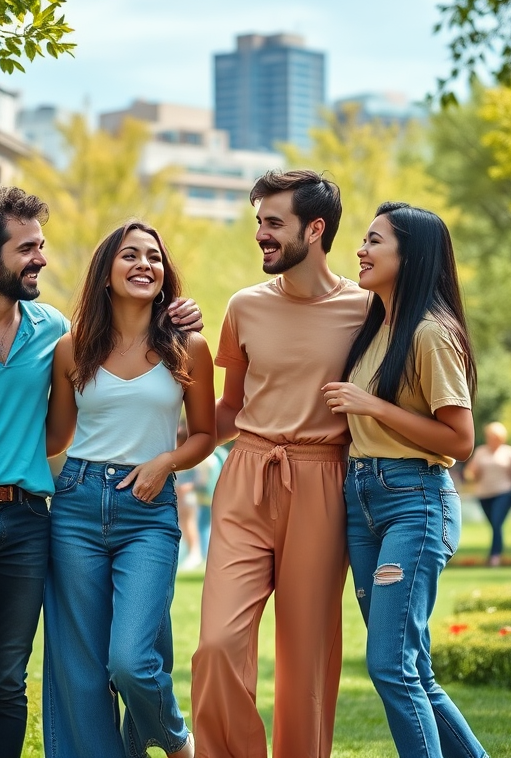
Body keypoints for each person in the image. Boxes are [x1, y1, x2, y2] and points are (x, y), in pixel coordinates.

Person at [0, 186, 201, 758]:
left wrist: (179, 310)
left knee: (7, 680)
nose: (41, 259)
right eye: (27, 248)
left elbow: (68, 417)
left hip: (26, 520)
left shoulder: (51, 330)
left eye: (42, 245)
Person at [191, 169, 369, 758]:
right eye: (259, 223)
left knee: (306, 658)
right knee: (216, 642)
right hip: (246, 474)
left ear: (314, 230)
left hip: (324, 479)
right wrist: (167, 450)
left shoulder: (368, 311)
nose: (261, 236)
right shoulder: (244, 307)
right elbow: (229, 408)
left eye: (274, 224)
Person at [43, 221, 215, 758]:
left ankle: (175, 737)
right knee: (83, 668)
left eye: (154, 258)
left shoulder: (189, 346)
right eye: (130, 255)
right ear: (105, 272)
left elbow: (207, 434)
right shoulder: (72, 348)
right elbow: (56, 437)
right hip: (75, 504)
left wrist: (166, 460)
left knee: (131, 661)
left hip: (148, 510)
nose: (144, 264)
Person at [322, 201, 487, 758]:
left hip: (414, 500)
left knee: (390, 666)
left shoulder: (432, 334)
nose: (361, 250)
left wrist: (373, 406)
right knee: (409, 665)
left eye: (374, 241)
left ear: (409, 255)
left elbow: (459, 441)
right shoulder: (377, 329)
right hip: (363, 499)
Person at [463, 422, 511, 566]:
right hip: (484, 495)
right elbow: (471, 471)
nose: (492, 439)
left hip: (504, 493)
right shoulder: (481, 451)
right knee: (494, 525)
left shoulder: (509, 452)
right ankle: (495, 553)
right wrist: (471, 475)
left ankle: (494, 557)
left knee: (497, 523)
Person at [175, 419, 204, 570]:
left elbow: (199, 477)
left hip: (189, 497)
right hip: (180, 497)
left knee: (190, 524)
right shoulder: (177, 453)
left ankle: (195, 553)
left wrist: (188, 486)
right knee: (185, 525)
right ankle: (191, 553)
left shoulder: (191, 454)